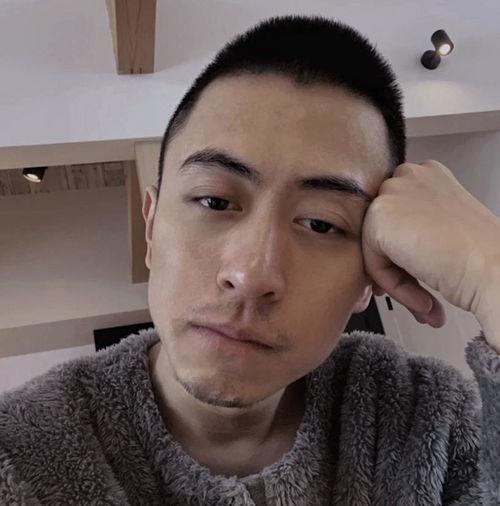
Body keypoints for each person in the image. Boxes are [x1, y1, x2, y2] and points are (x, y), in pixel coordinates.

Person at [1, 15, 499, 506]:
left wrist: (492, 268)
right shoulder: (24, 455)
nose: (250, 274)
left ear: (371, 276)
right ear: (150, 226)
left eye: (321, 224)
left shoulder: (430, 421)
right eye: (215, 201)